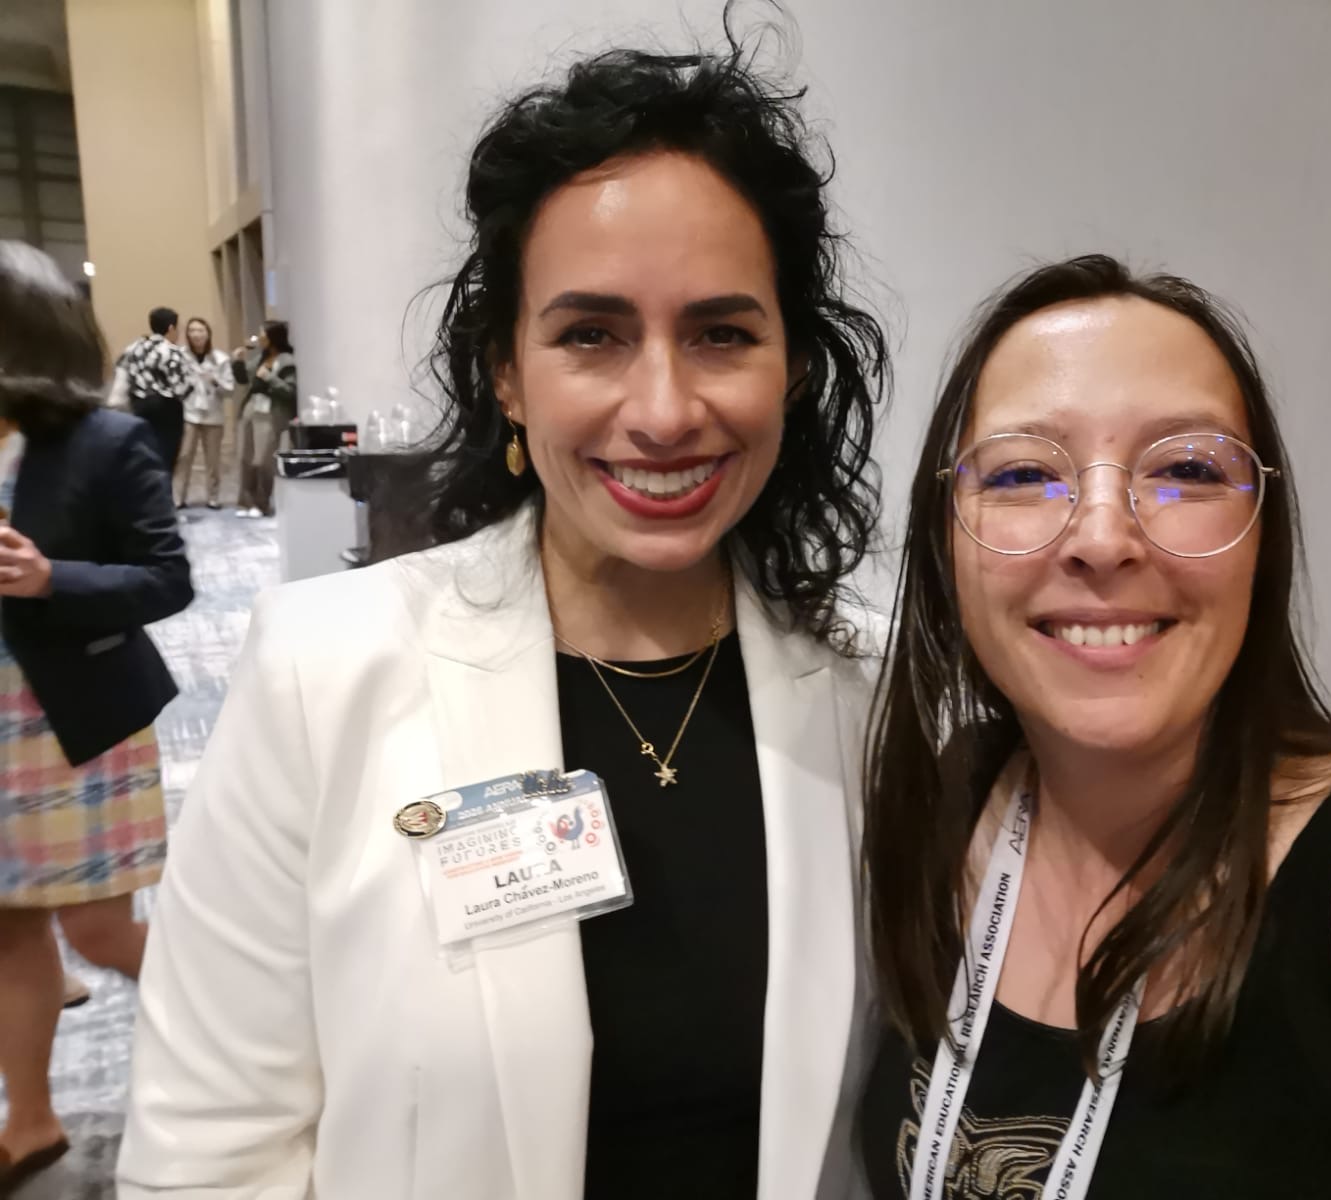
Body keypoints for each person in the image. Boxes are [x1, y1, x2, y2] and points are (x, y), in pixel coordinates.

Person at [120, 32, 888, 1200]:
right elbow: (207, 1151)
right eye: (591, 335)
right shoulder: (323, 674)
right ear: (507, 373)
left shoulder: (871, 689)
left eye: (722, 333)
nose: (663, 409)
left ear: (792, 366)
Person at [858, 254, 1331, 1197]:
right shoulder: (946, 805)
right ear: (945, 535)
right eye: (1023, 474)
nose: (1101, 538)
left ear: (1263, 536)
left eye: (1186, 470)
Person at [0, 242, 193, 1196]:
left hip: (71, 724)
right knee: (8, 931)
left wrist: (51, 579)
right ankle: (30, 1121)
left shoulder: (106, 442)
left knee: (99, 932)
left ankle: (251, 1025)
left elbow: (168, 579)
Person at [113, 306, 195, 473]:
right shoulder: (172, 351)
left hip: (138, 405)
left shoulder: (133, 348)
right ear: (171, 328)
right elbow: (181, 388)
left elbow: (121, 372)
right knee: (165, 457)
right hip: (166, 409)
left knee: (143, 455)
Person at [232, 319, 296, 518]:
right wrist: (238, 362)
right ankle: (246, 503)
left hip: (270, 414)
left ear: (273, 337)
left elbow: (290, 391)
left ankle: (262, 503)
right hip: (251, 410)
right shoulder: (261, 357)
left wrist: (269, 377)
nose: (259, 338)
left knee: (263, 461)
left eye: (262, 334)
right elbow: (244, 379)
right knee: (245, 458)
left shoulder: (286, 360)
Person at [173, 316, 235, 510]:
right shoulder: (180, 357)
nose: (196, 334)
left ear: (208, 334)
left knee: (213, 460)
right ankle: (178, 498)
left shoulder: (220, 359)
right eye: (192, 330)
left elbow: (230, 390)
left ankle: (213, 497)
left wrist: (214, 380)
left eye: (200, 330)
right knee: (184, 457)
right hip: (189, 413)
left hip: (213, 415)